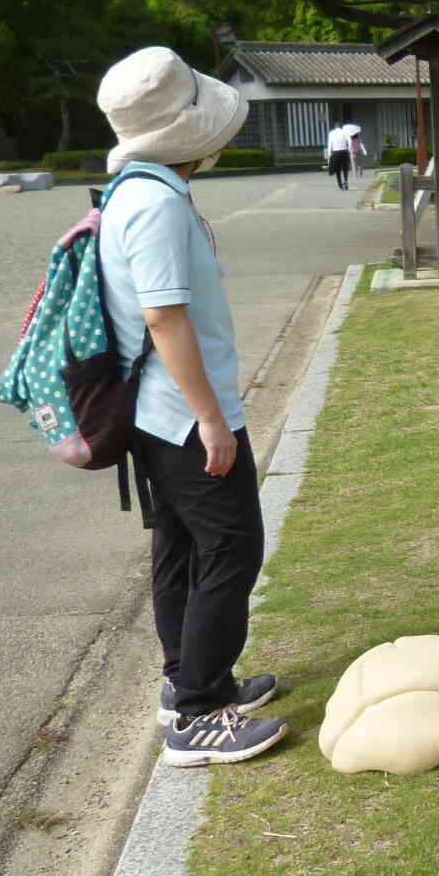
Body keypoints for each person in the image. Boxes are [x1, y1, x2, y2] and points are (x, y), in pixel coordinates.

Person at [94, 47, 287, 767]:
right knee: (233, 548)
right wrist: (211, 416)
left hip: (160, 411)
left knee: (179, 546)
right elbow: (164, 319)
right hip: (181, 413)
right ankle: (199, 712)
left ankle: (189, 681)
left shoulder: (138, 192)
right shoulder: (153, 204)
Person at [323, 121, 358, 190]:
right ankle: (346, 181)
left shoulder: (331, 133)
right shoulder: (345, 132)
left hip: (336, 152)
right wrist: (349, 149)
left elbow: (330, 144)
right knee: (345, 168)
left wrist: (329, 155)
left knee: (337, 169)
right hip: (344, 152)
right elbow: (350, 141)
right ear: (341, 127)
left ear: (335, 127)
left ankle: (340, 184)